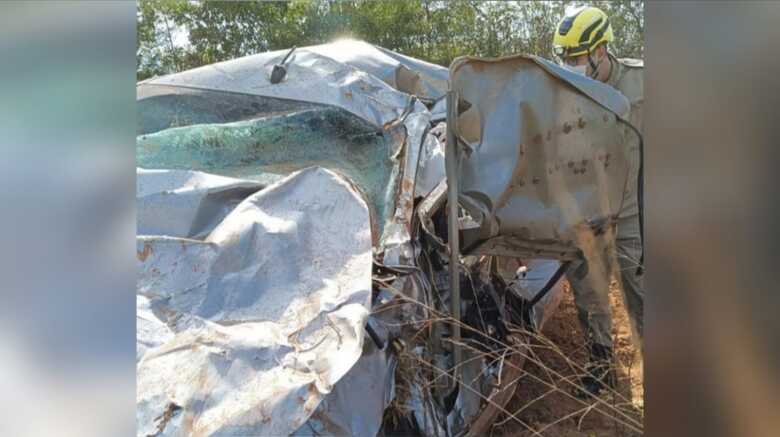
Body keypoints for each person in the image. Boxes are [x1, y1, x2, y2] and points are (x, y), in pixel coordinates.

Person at [552, 5, 645, 397]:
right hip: (587, 209)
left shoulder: (644, 83)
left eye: (578, 56)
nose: (572, 65)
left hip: (632, 212)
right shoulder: (564, 91)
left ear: (601, 50)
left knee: (641, 291)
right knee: (588, 291)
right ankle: (600, 364)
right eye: (566, 58)